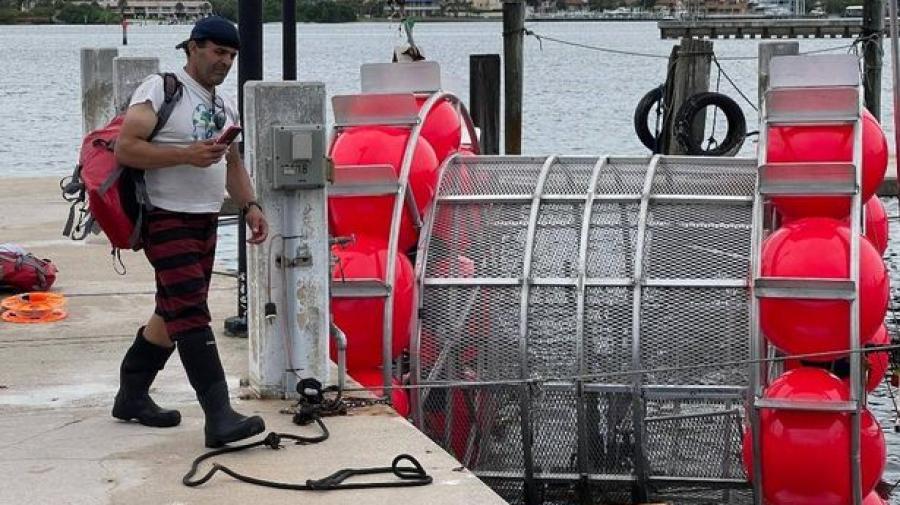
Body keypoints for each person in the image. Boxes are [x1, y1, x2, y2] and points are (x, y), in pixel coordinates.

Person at [111, 16, 269, 448]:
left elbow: (231, 163)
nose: (225, 62)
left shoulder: (224, 106)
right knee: (192, 314)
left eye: (232, 56)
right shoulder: (160, 90)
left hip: (206, 219)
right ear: (193, 48)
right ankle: (219, 417)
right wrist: (185, 155)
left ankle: (131, 394)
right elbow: (127, 147)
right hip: (165, 215)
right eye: (218, 52)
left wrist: (250, 204)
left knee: (175, 308)